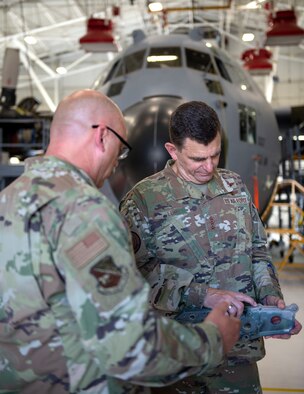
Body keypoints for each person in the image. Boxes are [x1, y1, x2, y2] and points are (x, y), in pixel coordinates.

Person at [0, 90, 241, 394]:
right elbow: (128, 344)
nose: (118, 161)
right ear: (102, 136)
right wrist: (213, 339)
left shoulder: (7, 201)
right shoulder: (84, 212)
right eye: (121, 148)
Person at [120, 100, 302, 393]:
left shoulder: (234, 187)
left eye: (215, 155)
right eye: (197, 159)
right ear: (172, 150)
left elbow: (257, 250)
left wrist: (270, 299)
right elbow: (135, 275)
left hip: (236, 355)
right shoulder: (143, 201)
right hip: (176, 356)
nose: (208, 167)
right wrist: (203, 295)